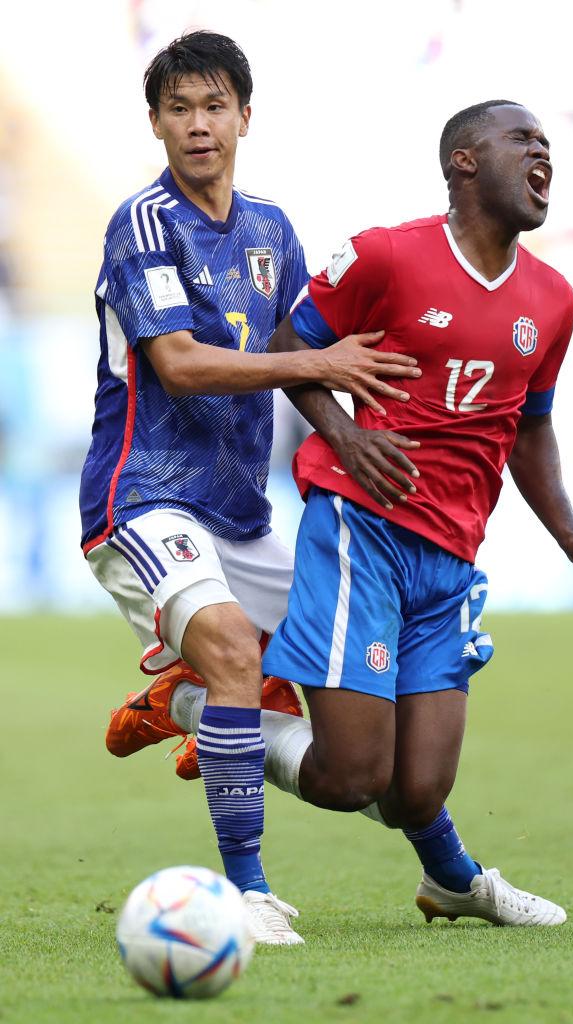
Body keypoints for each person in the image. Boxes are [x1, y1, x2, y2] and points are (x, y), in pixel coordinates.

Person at [247, 99, 573, 926]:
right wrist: (345, 436)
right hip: (360, 526)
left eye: (546, 144)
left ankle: (450, 882)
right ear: (463, 160)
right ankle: (211, 713)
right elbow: (287, 348)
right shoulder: (386, 255)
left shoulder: (552, 299)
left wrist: (569, 533)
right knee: (350, 777)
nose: (541, 154)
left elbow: (528, 428)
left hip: (451, 556)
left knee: (415, 790)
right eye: (520, 139)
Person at [79, 30, 419, 946]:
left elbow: (297, 352)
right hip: (143, 498)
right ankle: (247, 891)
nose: (199, 125)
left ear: (244, 117)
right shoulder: (142, 224)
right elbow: (181, 364)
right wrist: (318, 361)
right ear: (155, 124)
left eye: (214, 106)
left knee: (368, 719)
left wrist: (349, 437)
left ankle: (455, 871)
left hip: (243, 515)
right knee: (233, 648)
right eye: (179, 109)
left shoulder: (271, 229)